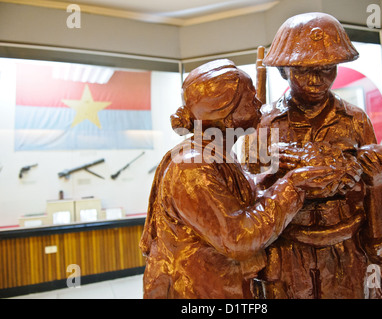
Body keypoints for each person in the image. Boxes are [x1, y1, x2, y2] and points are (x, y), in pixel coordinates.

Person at [139, 59, 343, 299]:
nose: (258, 103)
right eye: (250, 97)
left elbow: (236, 201)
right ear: (225, 113)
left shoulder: (218, 155)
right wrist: (292, 185)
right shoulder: (191, 167)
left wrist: (273, 177)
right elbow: (238, 238)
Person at [248, 12, 382, 299]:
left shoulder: (355, 119)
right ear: (284, 70)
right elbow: (250, 189)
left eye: (326, 69)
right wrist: (276, 164)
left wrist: (373, 177)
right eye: (303, 70)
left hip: (346, 245)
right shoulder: (265, 123)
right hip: (286, 246)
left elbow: (368, 184)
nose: (316, 80)